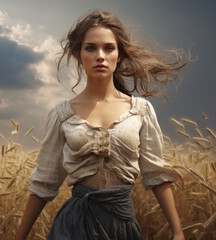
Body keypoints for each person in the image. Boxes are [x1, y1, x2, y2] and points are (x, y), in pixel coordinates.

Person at [16, 9, 188, 240]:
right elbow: (44, 183)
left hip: (121, 226)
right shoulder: (62, 115)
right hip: (73, 228)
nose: (100, 55)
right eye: (90, 48)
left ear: (119, 54)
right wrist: (19, 236)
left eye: (108, 48)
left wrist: (178, 232)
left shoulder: (140, 110)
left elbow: (156, 175)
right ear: (79, 55)